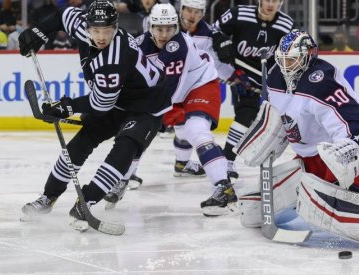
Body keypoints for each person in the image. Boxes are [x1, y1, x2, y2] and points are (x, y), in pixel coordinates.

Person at [236, 29, 359, 253]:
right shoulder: (274, 77)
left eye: (292, 60)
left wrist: (347, 152)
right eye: (283, 60)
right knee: (253, 207)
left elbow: (355, 123)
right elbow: (277, 117)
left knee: (329, 206)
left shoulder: (320, 81)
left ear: (308, 56)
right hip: (311, 154)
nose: (286, 66)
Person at [19, 0, 172, 232]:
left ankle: (86, 201)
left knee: (125, 147)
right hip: (117, 100)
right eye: (96, 30)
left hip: (146, 106)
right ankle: (48, 197)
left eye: (108, 31)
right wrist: (38, 31)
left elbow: (101, 104)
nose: (101, 37)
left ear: (116, 27)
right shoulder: (82, 25)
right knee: (80, 143)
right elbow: (63, 14)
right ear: (87, 27)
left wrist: (66, 107)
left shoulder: (114, 59)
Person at [134, 3, 236, 216]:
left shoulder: (179, 45)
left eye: (169, 29)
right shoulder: (139, 44)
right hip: (177, 91)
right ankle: (126, 176)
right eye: (159, 29)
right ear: (150, 26)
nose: (164, 35)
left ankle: (223, 186)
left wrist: (154, 113)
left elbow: (173, 89)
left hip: (200, 85)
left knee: (196, 129)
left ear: (176, 27)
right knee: (148, 128)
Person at [212, 0, 295, 179]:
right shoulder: (239, 14)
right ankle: (227, 160)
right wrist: (222, 43)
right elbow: (214, 30)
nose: (271, 4)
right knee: (246, 114)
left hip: (268, 79)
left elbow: (294, 52)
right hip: (240, 75)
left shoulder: (286, 25)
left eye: (276, 0)